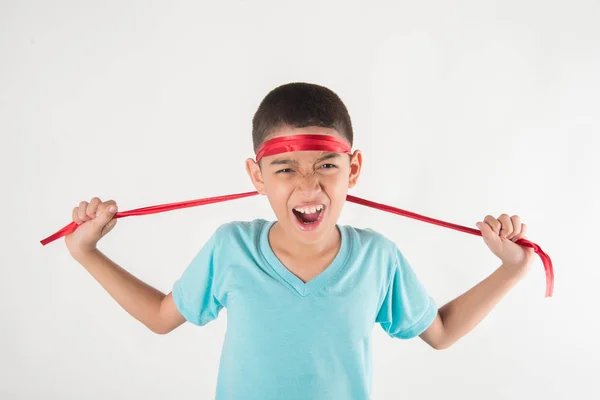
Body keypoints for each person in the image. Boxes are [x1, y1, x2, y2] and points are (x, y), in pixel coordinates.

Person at [65, 82, 535, 399]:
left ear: (353, 170)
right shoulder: (231, 248)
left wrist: (511, 269)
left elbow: (442, 332)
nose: (309, 188)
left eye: (327, 166)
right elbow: (161, 317)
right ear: (256, 175)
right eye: (285, 168)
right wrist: (86, 252)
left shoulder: (377, 257)